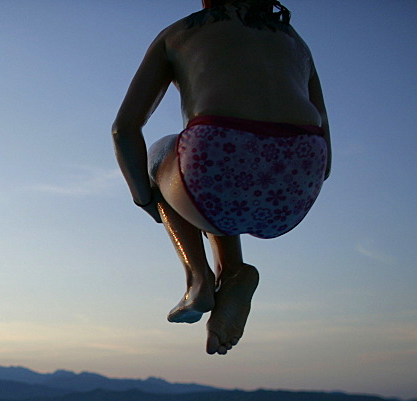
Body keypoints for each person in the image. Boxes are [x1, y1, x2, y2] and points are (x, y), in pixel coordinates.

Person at [113, 0, 330, 355]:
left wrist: (148, 200)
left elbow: (124, 130)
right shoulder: (296, 44)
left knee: (162, 156)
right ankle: (232, 271)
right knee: (220, 176)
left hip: (214, 167)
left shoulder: (180, 33)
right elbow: (328, 157)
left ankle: (197, 280)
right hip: (297, 188)